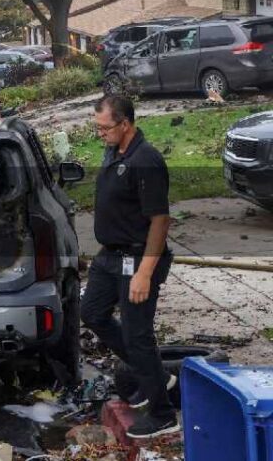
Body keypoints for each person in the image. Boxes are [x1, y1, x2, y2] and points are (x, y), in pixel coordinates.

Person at [81, 95, 178, 439]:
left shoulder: (146, 160)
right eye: (97, 128)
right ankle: (154, 373)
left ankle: (163, 413)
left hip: (136, 258)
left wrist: (144, 273)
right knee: (92, 312)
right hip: (109, 256)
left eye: (104, 128)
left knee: (138, 335)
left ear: (125, 124)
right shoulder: (114, 150)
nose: (100, 134)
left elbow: (160, 221)